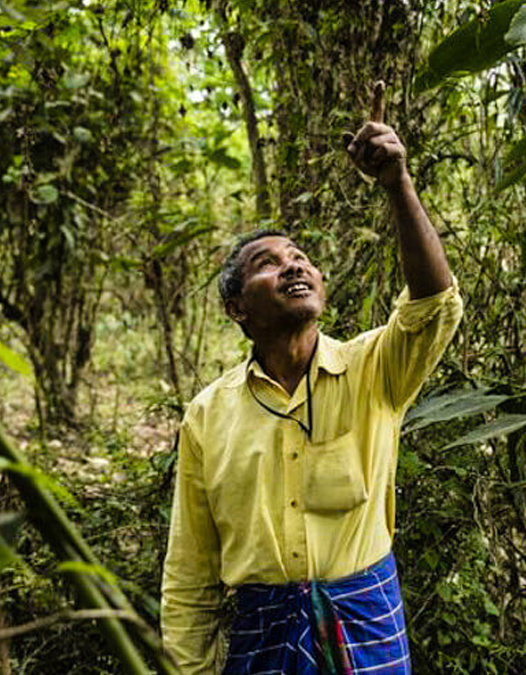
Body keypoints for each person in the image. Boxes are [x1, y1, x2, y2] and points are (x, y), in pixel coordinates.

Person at [159, 82, 462, 675]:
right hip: (263, 633)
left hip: (366, 622)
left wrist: (397, 183)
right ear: (238, 309)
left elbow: (435, 304)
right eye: (266, 263)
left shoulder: (374, 369)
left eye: (298, 256)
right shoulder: (208, 415)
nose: (292, 264)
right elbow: (191, 570)